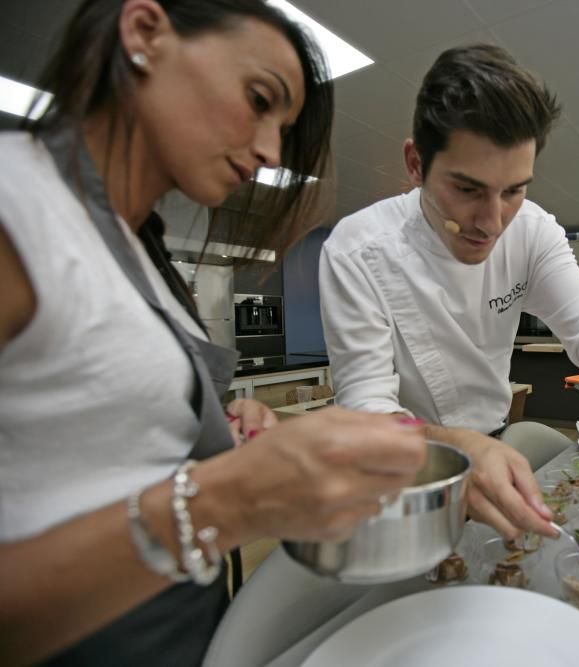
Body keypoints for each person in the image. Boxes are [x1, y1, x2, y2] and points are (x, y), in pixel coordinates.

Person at [0, 2, 428, 665]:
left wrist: (214, 425)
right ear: (145, 32)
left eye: (283, 128)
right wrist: (229, 497)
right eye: (259, 100)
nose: (267, 151)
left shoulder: (134, 246)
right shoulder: (16, 203)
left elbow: (97, 438)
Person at [319, 44, 579, 591]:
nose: (491, 222)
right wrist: (460, 448)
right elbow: (367, 411)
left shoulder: (533, 230)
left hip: (496, 444)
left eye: (514, 190)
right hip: (401, 473)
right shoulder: (357, 251)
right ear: (415, 164)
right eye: (467, 190)